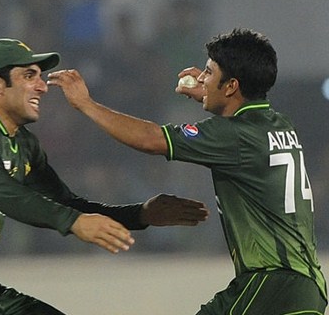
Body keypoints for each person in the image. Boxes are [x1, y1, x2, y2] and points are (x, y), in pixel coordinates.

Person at [0, 38, 209, 315]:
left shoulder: (24, 143)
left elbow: (66, 202)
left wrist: (140, 214)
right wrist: (72, 222)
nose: (43, 86)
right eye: (29, 76)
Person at [47, 28, 327, 314]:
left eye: (208, 72)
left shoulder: (233, 134)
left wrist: (86, 104)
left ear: (231, 86)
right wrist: (213, 98)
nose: (202, 78)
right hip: (308, 287)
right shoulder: (280, 124)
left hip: (270, 284)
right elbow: (240, 128)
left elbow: (151, 139)